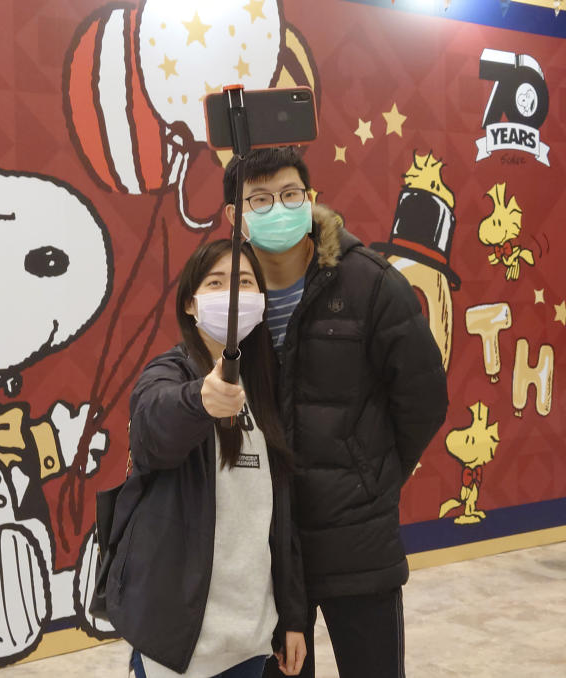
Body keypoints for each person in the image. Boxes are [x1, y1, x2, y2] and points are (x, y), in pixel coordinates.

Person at [220, 147, 448, 678]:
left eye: (290, 194)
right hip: (267, 543)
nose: (278, 208)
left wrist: (375, 474)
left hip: (357, 538)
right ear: (236, 216)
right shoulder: (226, 293)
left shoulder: (370, 283)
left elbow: (423, 398)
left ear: (310, 199)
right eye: (259, 199)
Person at [104, 239, 307, 678]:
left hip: (250, 638)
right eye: (217, 282)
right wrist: (200, 399)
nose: (233, 295)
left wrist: (292, 617)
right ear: (192, 304)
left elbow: (279, 517)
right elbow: (152, 427)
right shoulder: (170, 373)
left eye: (245, 282)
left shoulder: (265, 392)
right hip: (178, 643)